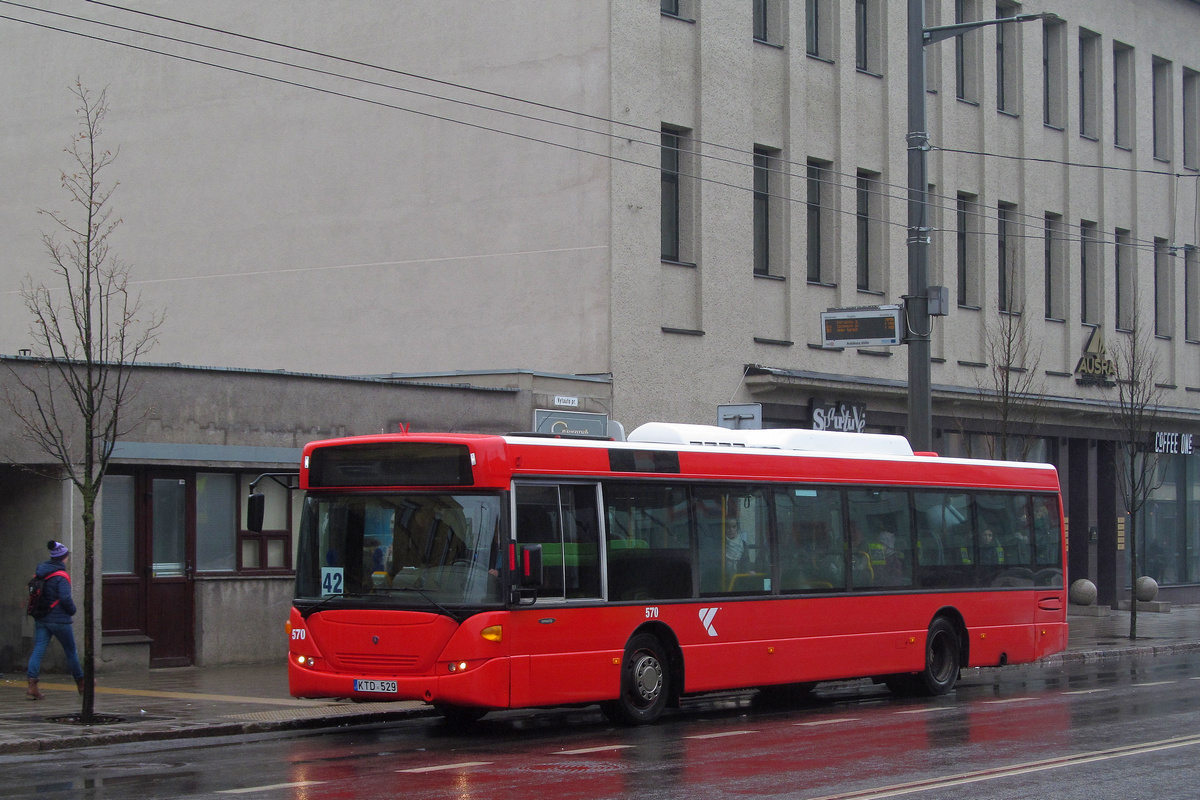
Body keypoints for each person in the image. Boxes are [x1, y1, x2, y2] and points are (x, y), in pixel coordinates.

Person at [26, 540, 84, 700]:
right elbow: (65, 598)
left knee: (38, 650)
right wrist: (72, 610)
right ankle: (81, 682)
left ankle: (32, 685)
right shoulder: (61, 576)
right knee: (71, 651)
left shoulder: (41, 572)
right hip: (59, 620)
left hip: (42, 618)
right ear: (63, 558)